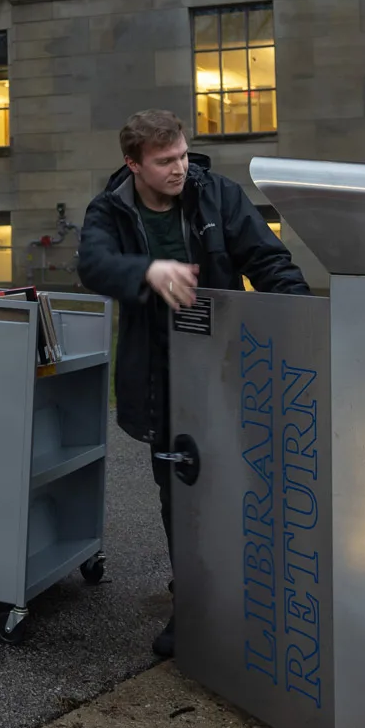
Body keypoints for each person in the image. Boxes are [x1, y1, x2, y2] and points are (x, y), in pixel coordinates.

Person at [75, 109, 308, 658]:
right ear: (133, 164)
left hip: (227, 364)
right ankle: (195, 603)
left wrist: (304, 323)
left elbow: (269, 261)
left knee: (243, 482)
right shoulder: (110, 209)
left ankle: (248, 597)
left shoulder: (217, 195)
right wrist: (147, 272)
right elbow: (94, 264)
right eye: (165, 161)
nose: (180, 168)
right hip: (161, 374)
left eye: (182, 155)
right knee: (179, 492)